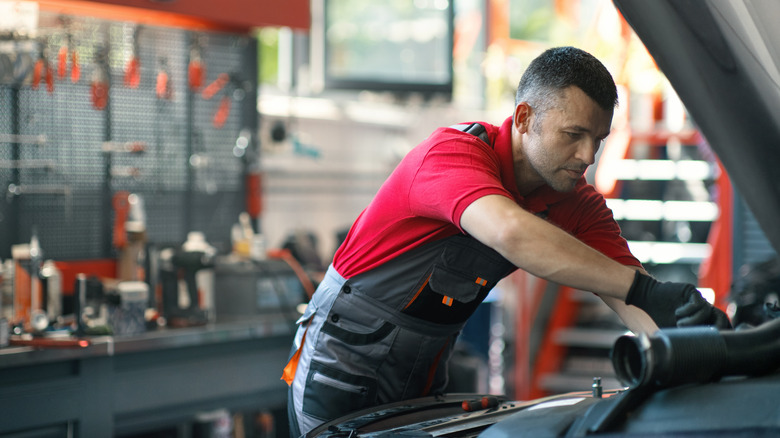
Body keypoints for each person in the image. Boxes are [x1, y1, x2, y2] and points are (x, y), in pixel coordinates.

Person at [282, 46, 729, 437]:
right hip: (342, 360)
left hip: (426, 366)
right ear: (524, 118)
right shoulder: (452, 156)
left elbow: (633, 298)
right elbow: (511, 231)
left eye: (598, 139)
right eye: (573, 135)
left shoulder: (575, 202)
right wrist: (644, 290)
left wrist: (700, 345)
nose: (587, 157)